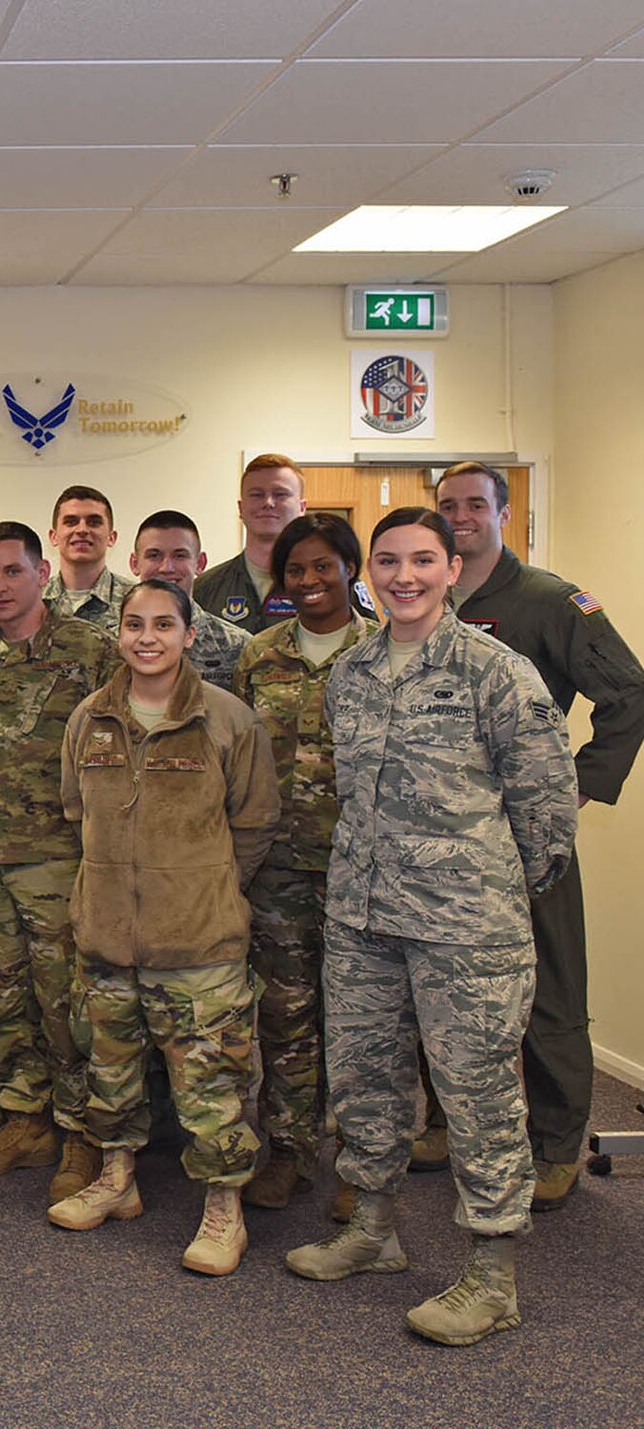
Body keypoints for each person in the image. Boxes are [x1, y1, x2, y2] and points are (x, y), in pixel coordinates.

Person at [288, 509, 577, 1347]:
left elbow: (547, 815)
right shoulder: (353, 671)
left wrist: (486, 894)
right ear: (366, 572)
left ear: (454, 568)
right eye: (388, 560)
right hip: (363, 916)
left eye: (422, 560)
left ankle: (492, 1275)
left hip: (467, 933)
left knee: (479, 1097)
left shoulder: (496, 672)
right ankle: (372, 1228)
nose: (403, 575)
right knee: (366, 1082)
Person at [52, 579, 277, 1277]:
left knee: (211, 1088)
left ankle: (223, 1211)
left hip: (199, 945)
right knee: (110, 1075)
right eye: (133, 624)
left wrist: (204, 889)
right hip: (107, 941)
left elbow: (256, 822)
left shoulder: (228, 719)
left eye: (162, 625)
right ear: (118, 631)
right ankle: (117, 1179)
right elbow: (73, 811)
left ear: (188, 633)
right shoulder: (90, 717)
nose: (146, 637)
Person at [438, 460, 644, 1210]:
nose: (460, 516)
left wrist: (580, 784)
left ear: (502, 510)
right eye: (447, 505)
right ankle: (447, 1126)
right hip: (442, 838)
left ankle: (556, 1144)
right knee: (446, 987)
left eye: (473, 505)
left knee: (549, 989)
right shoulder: (426, 599)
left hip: (529, 837)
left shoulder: (549, 601)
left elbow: (628, 690)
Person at [0, 522, 119, 1202]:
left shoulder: (90, 650)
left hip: (59, 854)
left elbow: (116, 748)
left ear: (42, 571)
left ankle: (80, 1131)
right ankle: (25, 1118)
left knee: (66, 998)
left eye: (10, 572)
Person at [232, 514, 375, 1210]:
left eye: (324, 566)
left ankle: (362, 1163)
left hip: (366, 869)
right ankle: (289, 1149)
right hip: (281, 867)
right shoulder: (259, 656)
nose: (311, 581)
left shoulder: (383, 651)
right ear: (279, 579)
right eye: (296, 570)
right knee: (285, 1014)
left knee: (364, 1017)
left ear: (351, 568)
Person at [129, 509, 249, 691]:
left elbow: (243, 717)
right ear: (134, 563)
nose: (166, 567)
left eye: (179, 555)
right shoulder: (112, 644)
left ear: (200, 563)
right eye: (154, 555)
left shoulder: (237, 646)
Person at [194, 453, 310, 633]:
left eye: (280, 494)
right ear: (240, 508)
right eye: (257, 495)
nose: (268, 503)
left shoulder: (330, 586)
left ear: (302, 508)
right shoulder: (205, 589)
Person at [41, 484, 133, 632]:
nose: (82, 530)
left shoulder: (136, 600)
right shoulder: (33, 600)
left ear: (111, 537)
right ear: (54, 537)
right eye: (71, 522)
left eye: (94, 522)